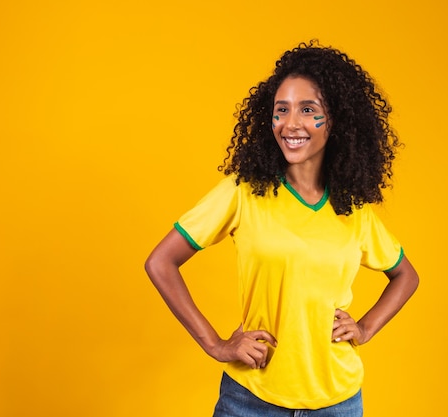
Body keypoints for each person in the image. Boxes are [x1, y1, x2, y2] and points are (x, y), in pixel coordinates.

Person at [145, 40, 419, 417]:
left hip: (338, 403)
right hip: (250, 399)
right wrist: (216, 344)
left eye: (308, 110)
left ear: (336, 120)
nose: (291, 123)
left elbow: (405, 275)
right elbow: (160, 262)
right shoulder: (243, 191)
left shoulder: (353, 209)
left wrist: (366, 328)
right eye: (282, 110)